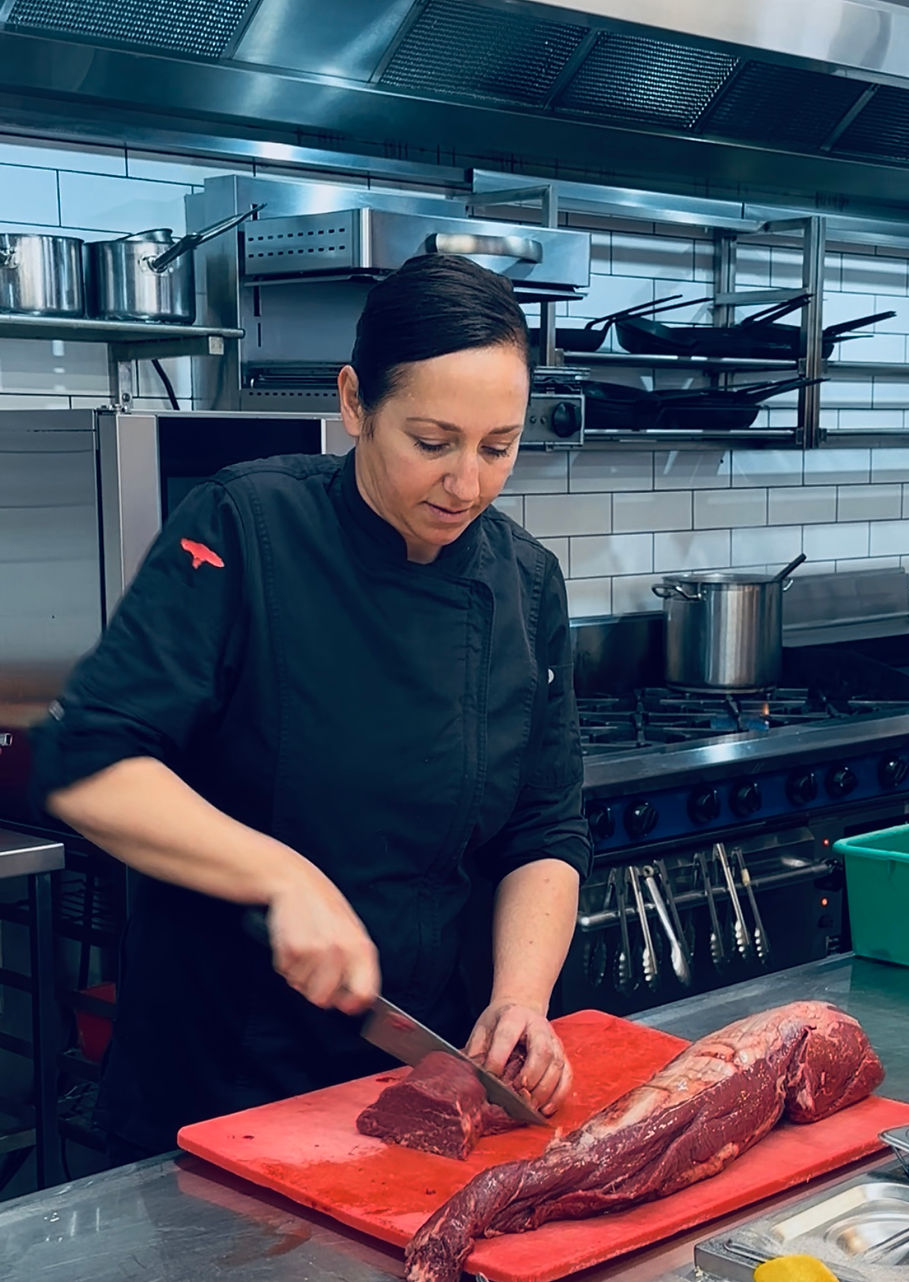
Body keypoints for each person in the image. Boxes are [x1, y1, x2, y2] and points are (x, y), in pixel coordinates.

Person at [30, 253, 591, 1162]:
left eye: (499, 447)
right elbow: (89, 760)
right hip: (224, 1088)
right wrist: (282, 877)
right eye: (433, 441)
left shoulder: (526, 580)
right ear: (355, 403)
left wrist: (520, 998)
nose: (468, 485)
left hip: (426, 1090)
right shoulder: (243, 528)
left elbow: (545, 830)